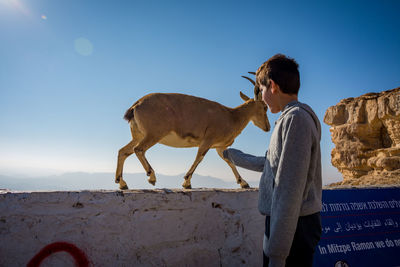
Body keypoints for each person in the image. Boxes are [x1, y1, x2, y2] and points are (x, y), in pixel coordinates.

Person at [223, 54, 322, 267]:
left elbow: (289, 190)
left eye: (261, 90)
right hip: (287, 226)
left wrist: (277, 256)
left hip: (292, 226)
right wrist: (232, 155)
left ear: (273, 86)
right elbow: (272, 165)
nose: (261, 98)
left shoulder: (296, 120)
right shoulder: (290, 118)